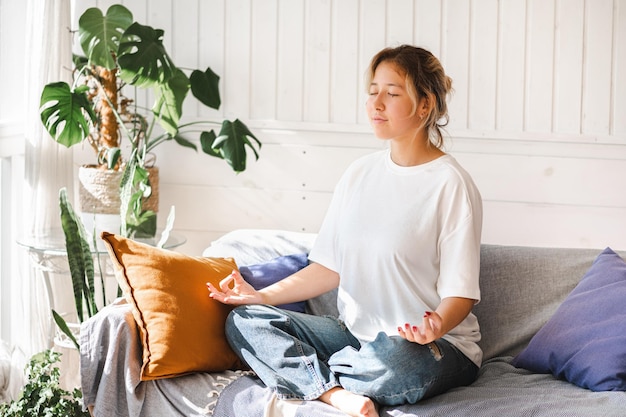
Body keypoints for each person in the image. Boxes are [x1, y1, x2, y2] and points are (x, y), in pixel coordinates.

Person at [207, 45, 483, 417]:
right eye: (372, 91)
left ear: (425, 105)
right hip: (354, 336)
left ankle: (305, 375)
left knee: (395, 361)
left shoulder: (451, 185)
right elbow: (328, 268)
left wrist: (435, 327)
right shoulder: (359, 174)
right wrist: (261, 297)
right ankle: (335, 394)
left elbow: (460, 293)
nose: (376, 103)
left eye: (392, 92)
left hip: (428, 348)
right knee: (244, 322)